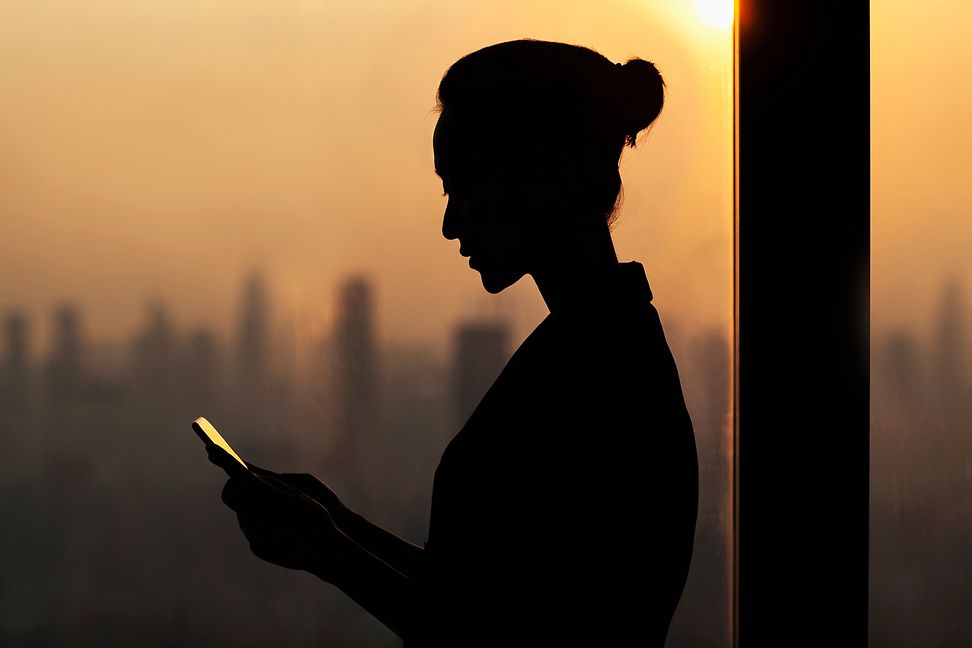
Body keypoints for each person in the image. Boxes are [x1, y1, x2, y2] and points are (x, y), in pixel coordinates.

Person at [209, 38, 699, 647]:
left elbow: (488, 634)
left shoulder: (599, 373)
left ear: (538, 174)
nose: (449, 223)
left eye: (460, 188)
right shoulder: (596, 347)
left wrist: (328, 550)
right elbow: (479, 595)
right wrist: (338, 524)